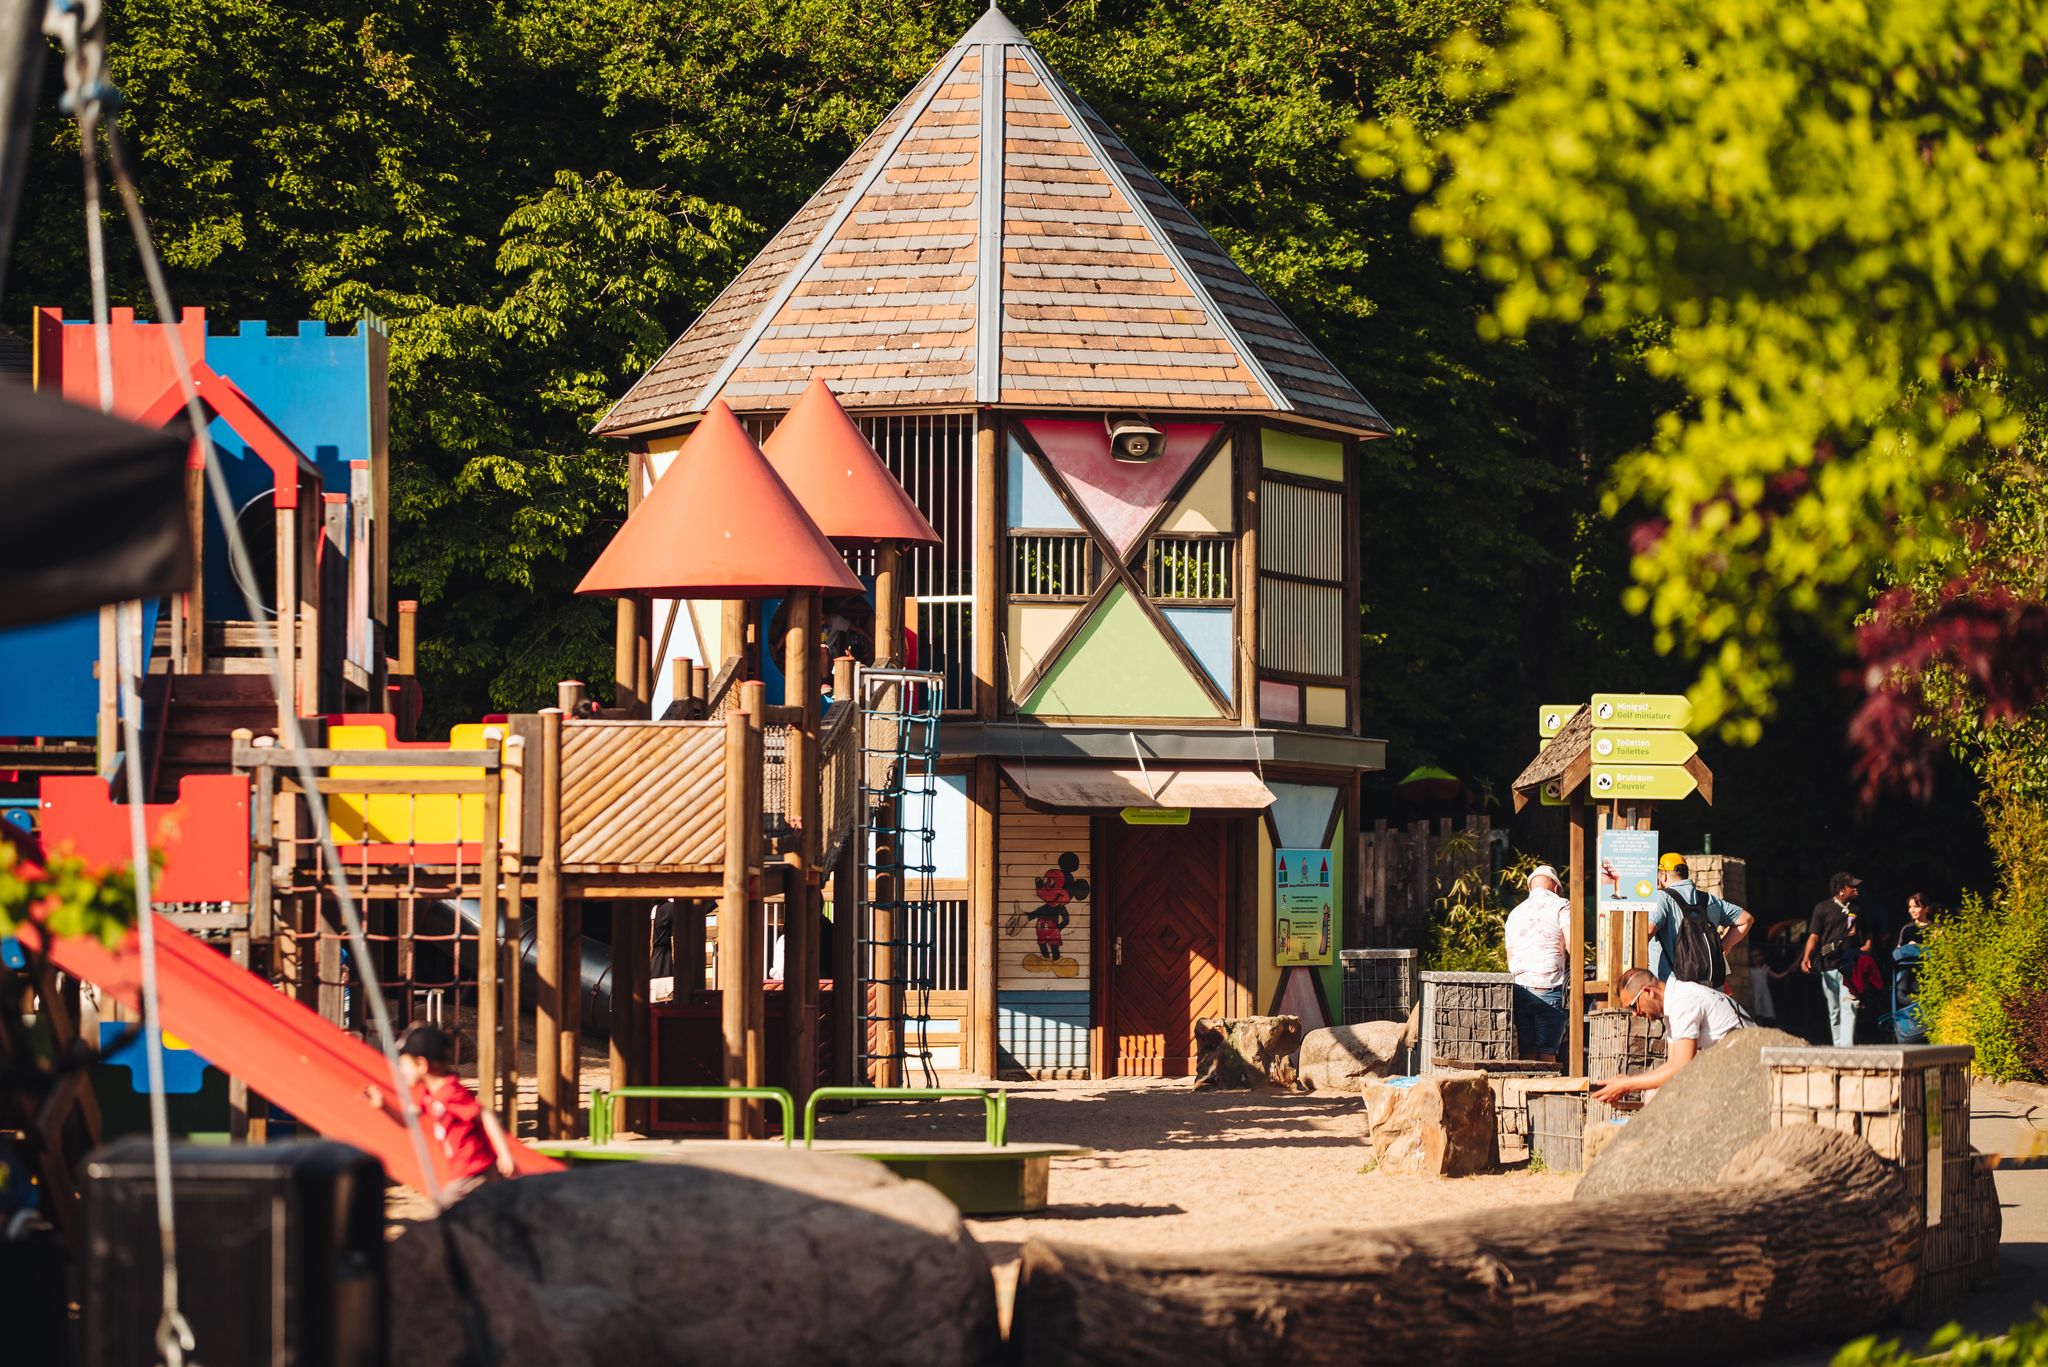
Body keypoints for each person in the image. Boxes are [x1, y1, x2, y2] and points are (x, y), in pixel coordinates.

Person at [367, 1022, 516, 1203]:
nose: (400, 1070)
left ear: (421, 1064)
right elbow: (410, 1121)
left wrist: (504, 1154)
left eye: (403, 1064)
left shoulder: (449, 1092)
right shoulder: (428, 1093)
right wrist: (384, 1107)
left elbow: (484, 1115)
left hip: (474, 1169)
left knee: (445, 1209)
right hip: (462, 1171)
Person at [1591, 966, 1750, 1102]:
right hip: (1730, 1067)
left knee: (1658, 1096)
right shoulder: (1674, 1000)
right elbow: (1672, 1063)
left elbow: (1681, 1066)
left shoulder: (1682, 1002)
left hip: (1746, 1069)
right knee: (1654, 1093)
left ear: (1648, 992)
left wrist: (1628, 1085)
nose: (1634, 1014)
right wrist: (1628, 1081)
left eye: (1633, 1006)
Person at [1647, 853, 1753, 983]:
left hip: (1673, 987)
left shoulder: (1662, 898)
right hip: (1708, 986)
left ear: (1662, 875)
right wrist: (1722, 948)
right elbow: (1746, 919)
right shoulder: (1710, 899)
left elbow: (1649, 929)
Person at [1505, 863, 1572, 1062]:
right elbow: (1572, 944)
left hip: (1520, 988)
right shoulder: (1561, 905)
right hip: (1549, 986)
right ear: (1555, 887)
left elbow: (1510, 955)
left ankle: (1527, 1091)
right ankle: (1543, 1091)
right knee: (1547, 1053)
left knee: (1527, 1052)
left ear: (1530, 888)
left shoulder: (1515, 913)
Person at [1801, 872, 1870, 1047]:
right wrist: (1806, 957)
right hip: (1828, 966)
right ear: (1841, 890)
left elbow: (1868, 937)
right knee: (1834, 1010)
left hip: (1850, 966)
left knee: (1849, 1005)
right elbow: (1814, 936)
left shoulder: (1858, 910)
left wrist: (1863, 950)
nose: (1856, 889)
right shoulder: (1823, 908)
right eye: (1851, 886)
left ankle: (1847, 1049)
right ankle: (1839, 1048)